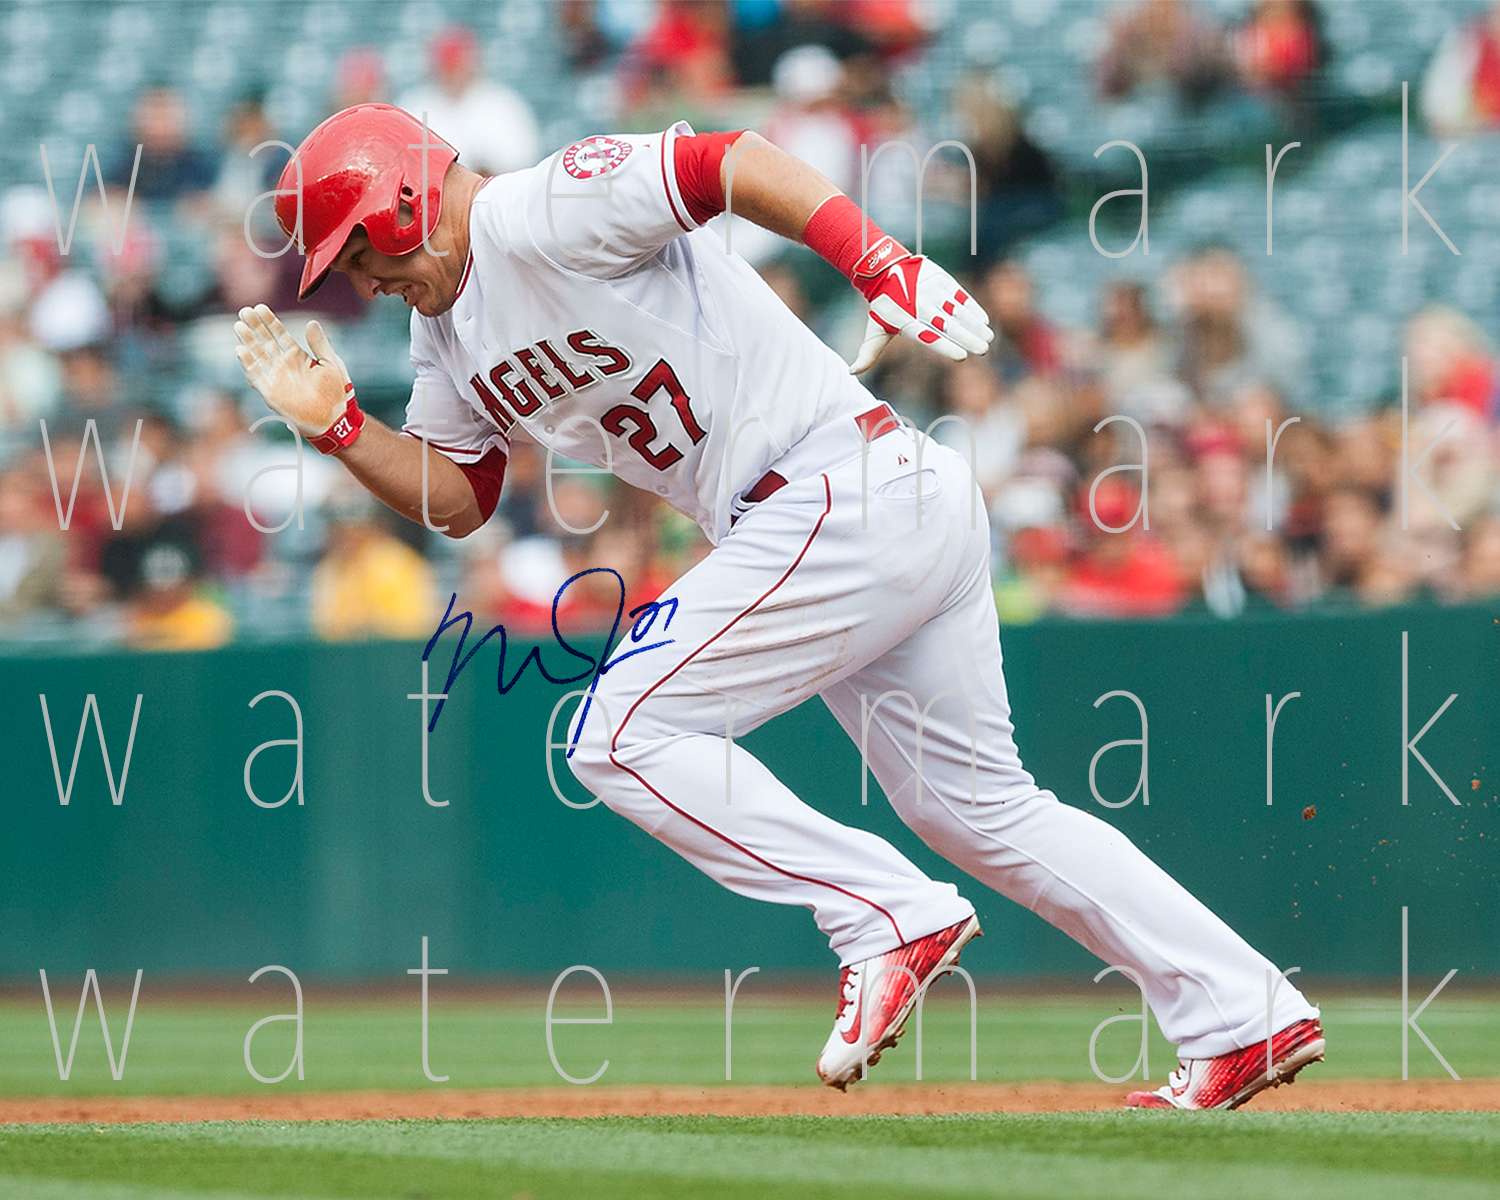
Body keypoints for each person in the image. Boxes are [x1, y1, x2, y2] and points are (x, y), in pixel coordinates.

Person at [233, 103, 1323, 1107]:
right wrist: (336, 428)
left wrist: (875, 255)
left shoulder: (537, 206)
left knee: (620, 734)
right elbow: (462, 496)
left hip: (830, 492)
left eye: (361, 250)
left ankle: (885, 915)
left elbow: (723, 161)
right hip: (863, 504)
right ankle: (1244, 1014)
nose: (362, 280)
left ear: (405, 202)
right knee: (980, 811)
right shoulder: (444, 333)